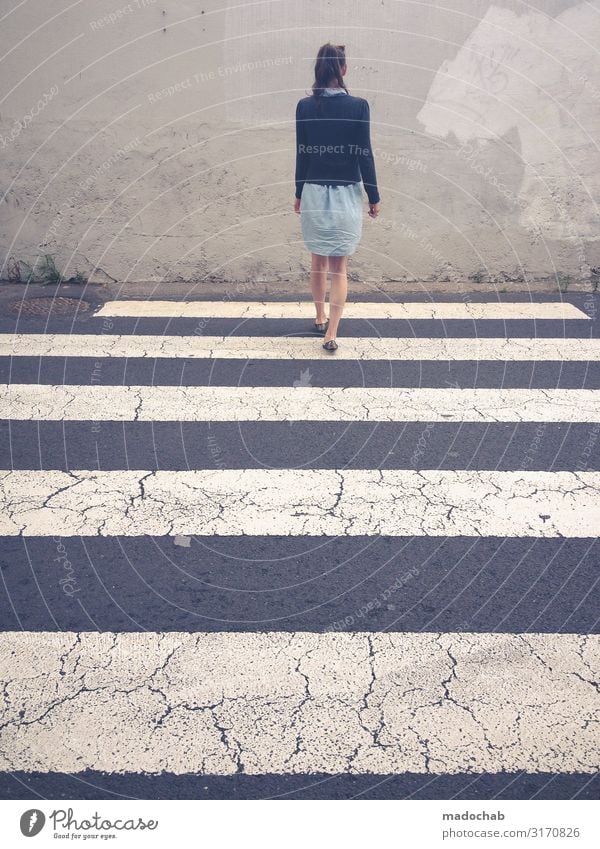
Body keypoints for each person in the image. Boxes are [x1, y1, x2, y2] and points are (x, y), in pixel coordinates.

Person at [294, 43, 380, 352]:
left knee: (317, 260)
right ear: (343, 70)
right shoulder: (359, 106)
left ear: (318, 70)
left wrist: (298, 192)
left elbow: (301, 152)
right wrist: (373, 195)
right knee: (339, 267)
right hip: (346, 192)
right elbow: (365, 155)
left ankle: (318, 317)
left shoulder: (305, 106)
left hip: (314, 191)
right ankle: (331, 333)